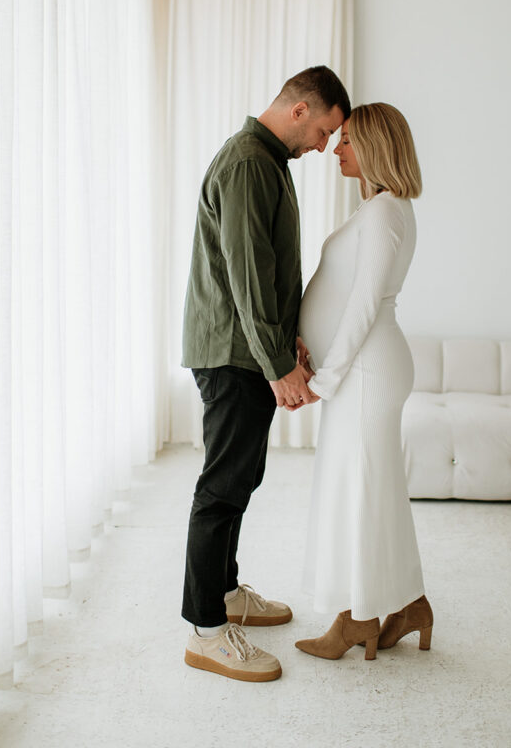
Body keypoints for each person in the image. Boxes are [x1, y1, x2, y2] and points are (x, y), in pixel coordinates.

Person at [181, 66, 351, 683]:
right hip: (233, 352)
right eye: (326, 130)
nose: (325, 146)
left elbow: (268, 272)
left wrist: (288, 344)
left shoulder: (265, 159)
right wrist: (279, 366)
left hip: (244, 348)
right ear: (301, 109)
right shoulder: (251, 162)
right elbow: (249, 278)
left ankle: (224, 595)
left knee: (239, 478)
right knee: (222, 487)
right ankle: (205, 631)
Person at [294, 102, 433, 661]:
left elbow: (362, 306)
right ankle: (404, 606)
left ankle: (359, 619)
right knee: (372, 492)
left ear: (375, 146)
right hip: (363, 370)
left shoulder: (384, 214)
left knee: (362, 492)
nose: (337, 149)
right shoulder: (383, 209)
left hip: (366, 371)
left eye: (348, 139)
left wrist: (326, 379)